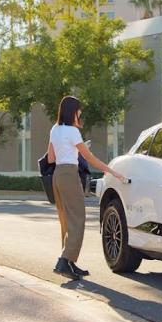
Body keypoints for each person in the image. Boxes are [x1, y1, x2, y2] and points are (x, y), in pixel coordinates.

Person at [47, 96, 126, 280]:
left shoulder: (55, 129)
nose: (80, 113)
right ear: (72, 111)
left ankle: (70, 263)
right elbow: (89, 158)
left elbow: (51, 158)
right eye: (79, 110)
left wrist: (68, 150)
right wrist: (112, 171)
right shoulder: (73, 131)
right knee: (78, 219)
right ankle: (64, 260)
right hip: (69, 175)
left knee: (67, 219)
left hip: (58, 175)